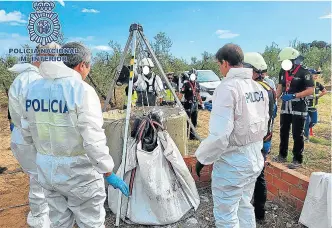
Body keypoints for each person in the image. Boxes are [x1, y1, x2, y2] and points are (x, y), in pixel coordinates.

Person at [19, 42, 129, 227]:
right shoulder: (82, 90)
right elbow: (92, 138)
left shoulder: (33, 89)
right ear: (82, 65)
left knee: (59, 222)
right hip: (79, 174)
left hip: (46, 170)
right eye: (89, 66)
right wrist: (108, 171)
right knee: (90, 222)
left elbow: (26, 132)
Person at [195, 44, 269, 228]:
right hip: (254, 158)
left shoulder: (227, 88)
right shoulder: (258, 87)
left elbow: (220, 136)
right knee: (244, 205)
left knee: (226, 214)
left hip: (233, 163)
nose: (220, 69)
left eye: (219, 65)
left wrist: (202, 158)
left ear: (225, 63)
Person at [8, 42, 64, 228]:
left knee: (38, 177)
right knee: (40, 179)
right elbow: (34, 117)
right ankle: (40, 219)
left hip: (22, 135)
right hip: (29, 138)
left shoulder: (26, 77)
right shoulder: (33, 81)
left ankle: (41, 215)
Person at [243, 52, 277, 223]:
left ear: (254, 70)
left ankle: (251, 213)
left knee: (251, 175)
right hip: (266, 139)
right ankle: (260, 214)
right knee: (259, 175)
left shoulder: (254, 89)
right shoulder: (269, 87)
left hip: (255, 141)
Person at [274, 47, 314, 169]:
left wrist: (295, 95)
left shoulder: (304, 72)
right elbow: (280, 87)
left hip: (299, 106)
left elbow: (310, 90)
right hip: (286, 106)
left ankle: (297, 159)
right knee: (283, 131)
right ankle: (282, 155)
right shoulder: (283, 71)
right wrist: (273, 100)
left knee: (297, 133)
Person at [178, 69, 204, 140]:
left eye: (194, 75)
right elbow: (181, 94)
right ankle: (185, 135)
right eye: (191, 75)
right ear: (189, 76)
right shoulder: (186, 84)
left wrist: (201, 103)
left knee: (194, 121)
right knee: (187, 121)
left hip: (195, 104)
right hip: (187, 104)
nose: (193, 77)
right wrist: (178, 103)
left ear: (196, 76)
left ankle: (192, 136)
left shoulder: (197, 84)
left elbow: (198, 95)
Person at [304, 68, 327, 140]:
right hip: (305, 106)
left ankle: (303, 129)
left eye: (317, 75)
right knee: (307, 122)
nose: (316, 76)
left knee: (314, 121)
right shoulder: (304, 84)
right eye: (315, 74)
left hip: (313, 107)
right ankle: (306, 137)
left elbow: (324, 91)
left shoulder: (318, 84)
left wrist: (317, 97)